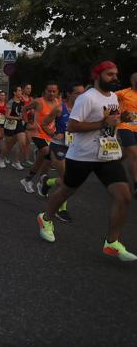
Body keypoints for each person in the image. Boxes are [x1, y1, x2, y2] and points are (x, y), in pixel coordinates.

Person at [37, 61, 136, 261]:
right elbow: (72, 126)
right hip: (82, 155)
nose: (115, 78)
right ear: (97, 76)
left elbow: (110, 121)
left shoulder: (113, 98)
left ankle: (112, 243)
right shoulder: (87, 98)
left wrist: (122, 116)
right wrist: (102, 123)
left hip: (107, 155)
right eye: (109, 75)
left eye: (116, 74)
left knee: (124, 195)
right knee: (66, 190)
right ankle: (45, 218)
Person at [39, 83, 85, 222]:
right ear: (69, 94)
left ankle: (47, 182)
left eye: (83, 93)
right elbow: (44, 123)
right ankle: (61, 209)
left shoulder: (85, 110)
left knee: (73, 179)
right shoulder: (59, 108)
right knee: (66, 179)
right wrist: (53, 134)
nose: (81, 96)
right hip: (59, 146)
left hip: (75, 148)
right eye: (77, 93)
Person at [20, 83, 59, 194]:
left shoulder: (58, 103)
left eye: (54, 91)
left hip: (51, 134)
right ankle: (35, 179)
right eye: (49, 91)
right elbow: (24, 109)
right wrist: (26, 123)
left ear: (57, 92)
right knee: (46, 151)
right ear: (45, 91)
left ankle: (32, 180)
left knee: (47, 159)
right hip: (37, 133)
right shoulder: (38, 101)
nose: (51, 93)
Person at [116, 72, 137, 197]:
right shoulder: (122, 93)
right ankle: (136, 184)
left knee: (125, 154)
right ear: (132, 81)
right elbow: (107, 100)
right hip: (125, 127)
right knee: (134, 154)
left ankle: (111, 164)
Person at [0, 86, 29, 170]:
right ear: (14, 92)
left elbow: (23, 113)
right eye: (19, 91)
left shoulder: (22, 102)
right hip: (10, 125)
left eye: (21, 90)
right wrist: (17, 118)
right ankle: (1, 159)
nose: (21, 92)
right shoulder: (11, 102)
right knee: (9, 145)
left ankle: (16, 161)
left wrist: (25, 121)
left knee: (23, 143)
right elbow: (6, 116)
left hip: (19, 125)